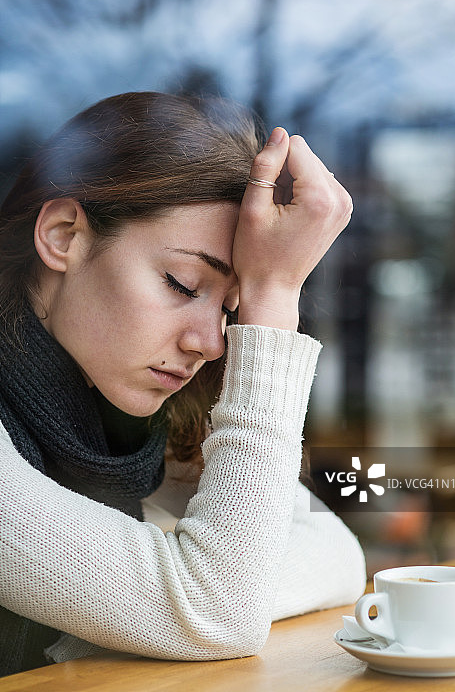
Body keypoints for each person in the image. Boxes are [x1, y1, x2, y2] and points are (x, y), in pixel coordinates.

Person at [0, 91, 366, 677]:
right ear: (64, 235)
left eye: (232, 309)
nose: (213, 342)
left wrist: (178, 599)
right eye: (181, 283)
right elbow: (219, 610)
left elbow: (337, 553)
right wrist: (272, 303)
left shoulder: (118, 415)